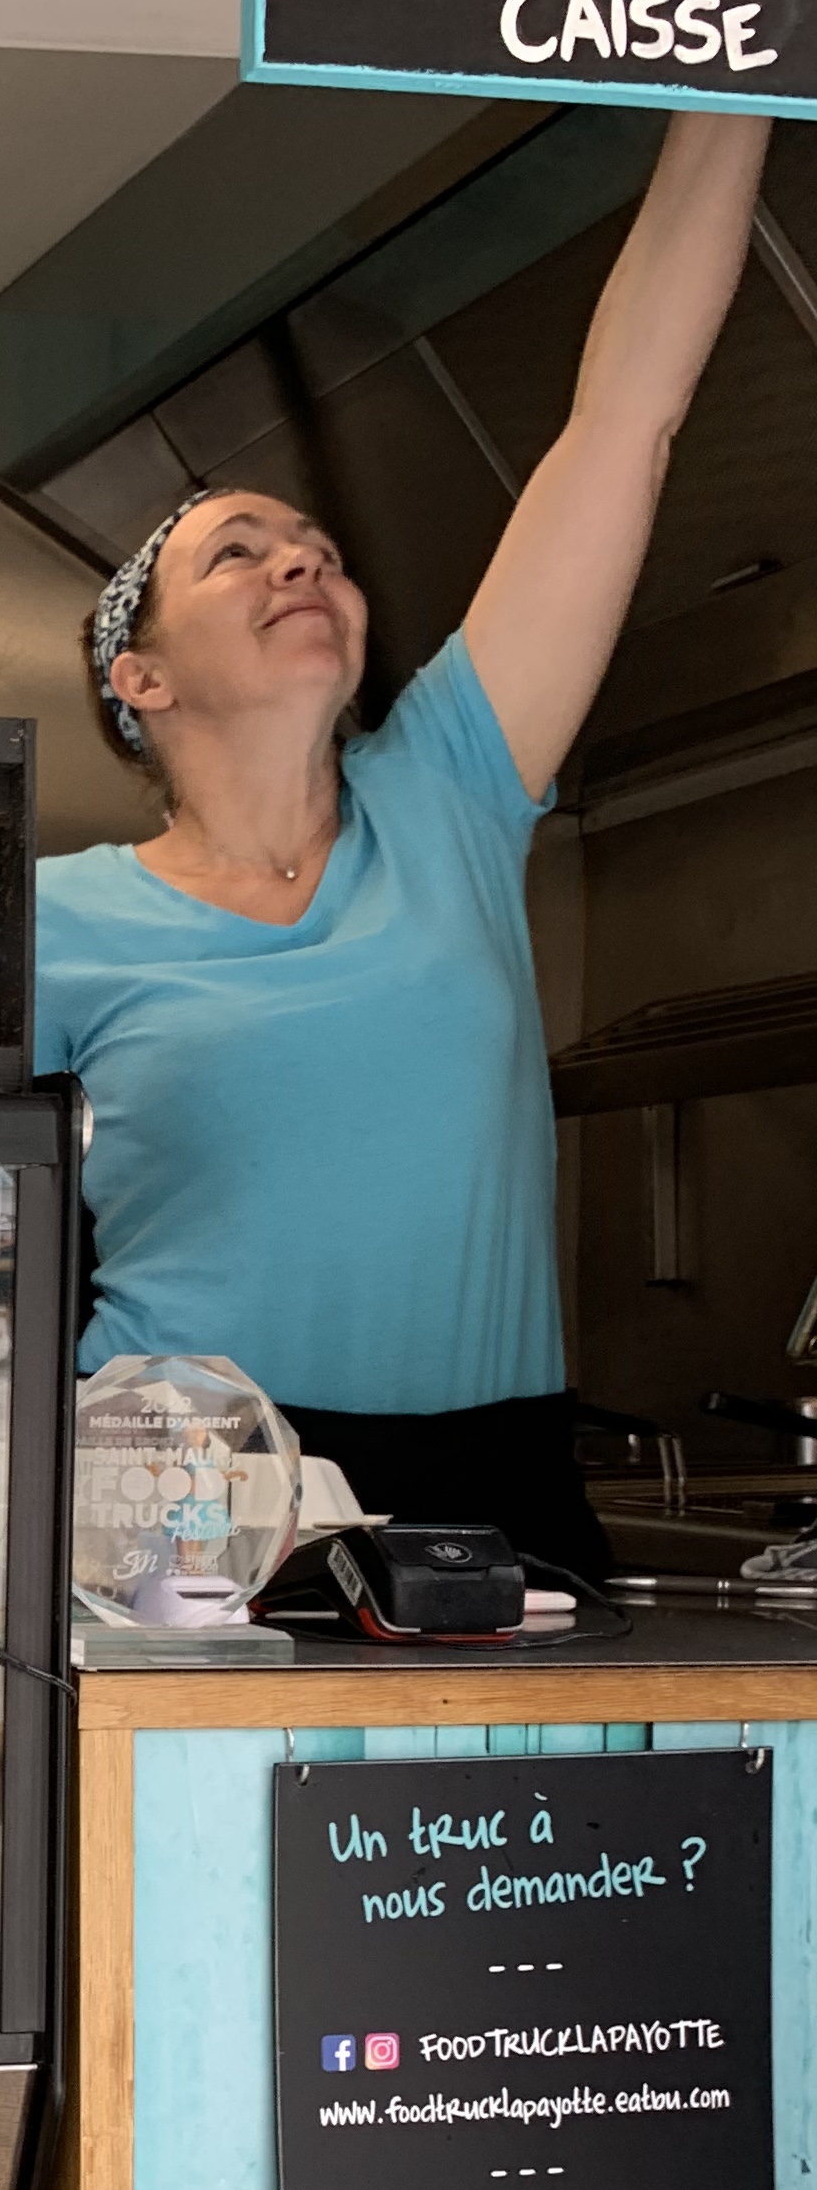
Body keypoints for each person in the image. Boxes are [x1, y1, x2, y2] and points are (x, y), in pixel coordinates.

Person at [38, 109, 771, 1584]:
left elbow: (626, 419)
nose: (298, 558)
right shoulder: (51, 918)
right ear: (142, 679)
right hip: (182, 1493)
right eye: (236, 552)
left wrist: (743, 62)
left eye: (315, 547)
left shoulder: (449, 787)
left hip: (496, 1479)